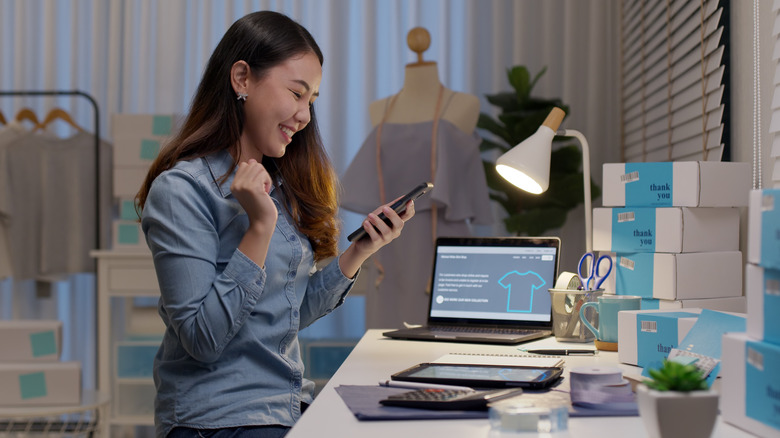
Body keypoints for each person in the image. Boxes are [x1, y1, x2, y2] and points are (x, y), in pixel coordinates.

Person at [135, 11, 413, 438]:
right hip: (216, 420)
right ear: (242, 78)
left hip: (283, 407)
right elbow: (202, 339)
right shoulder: (181, 192)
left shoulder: (277, 186)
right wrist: (259, 227)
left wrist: (360, 251)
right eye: (297, 93)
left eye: (312, 101)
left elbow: (283, 315)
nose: (304, 116)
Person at [340, 28, 493, 330]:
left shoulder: (463, 105)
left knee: (453, 339)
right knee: (386, 342)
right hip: (389, 245)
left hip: (445, 239)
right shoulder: (380, 109)